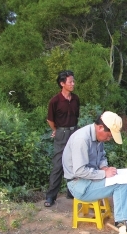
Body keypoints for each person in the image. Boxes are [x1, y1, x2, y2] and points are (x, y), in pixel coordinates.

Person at [62, 111, 127, 234]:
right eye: (108, 136)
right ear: (100, 127)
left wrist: (104, 167)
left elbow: (101, 156)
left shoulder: (98, 137)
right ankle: (122, 224)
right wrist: (103, 174)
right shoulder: (82, 140)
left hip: (91, 177)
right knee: (120, 185)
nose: (108, 139)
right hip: (79, 184)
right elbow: (79, 171)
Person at [45, 70, 80, 207]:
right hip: (61, 133)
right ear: (62, 83)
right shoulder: (55, 101)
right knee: (58, 164)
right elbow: (50, 120)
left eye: (73, 81)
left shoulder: (76, 99)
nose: (73, 84)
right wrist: (57, 131)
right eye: (70, 82)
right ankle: (50, 197)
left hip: (74, 131)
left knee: (74, 163)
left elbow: (76, 116)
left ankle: (72, 192)